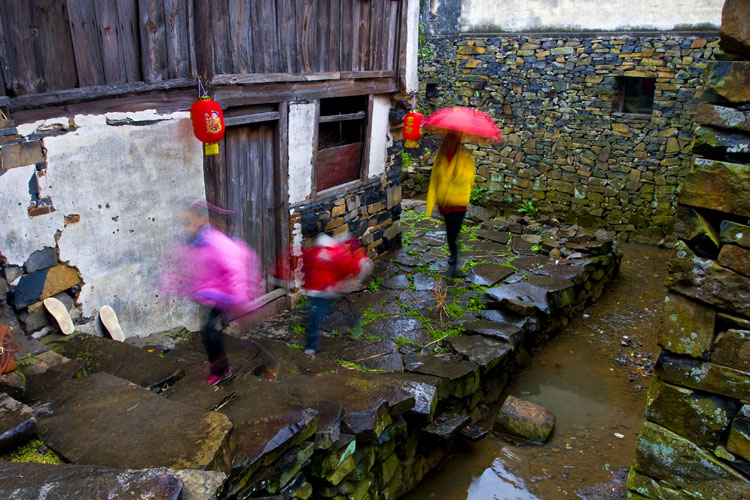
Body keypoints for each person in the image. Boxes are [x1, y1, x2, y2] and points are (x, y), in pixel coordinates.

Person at [160, 201, 262, 384]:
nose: (187, 227)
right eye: (184, 224)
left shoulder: (215, 242)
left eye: (190, 223)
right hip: (211, 293)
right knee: (210, 331)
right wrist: (168, 290)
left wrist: (239, 300)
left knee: (209, 331)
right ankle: (225, 362)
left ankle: (222, 369)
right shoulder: (192, 244)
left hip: (224, 294)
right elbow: (180, 268)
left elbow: (235, 270)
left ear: (201, 221)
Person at [300, 233, 372, 355]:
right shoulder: (323, 252)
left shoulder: (325, 252)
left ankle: (311, 346)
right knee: (321, 313)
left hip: (323, 292)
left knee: (317, 316)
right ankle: (351, 322)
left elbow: (346, 266)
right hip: (319, 291)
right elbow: (346, 266)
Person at [424, 132, 477, 277]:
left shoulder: (464, 156)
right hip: (444, 201)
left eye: (451, 141)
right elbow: (435, 178)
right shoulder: (440, 157)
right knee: (449, 231)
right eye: (446, 141)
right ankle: (453, 253)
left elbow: (470, 177)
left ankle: (454, 254)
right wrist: (432, 202)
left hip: (459, 201)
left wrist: (457, 175)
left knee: (454, 230)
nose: (447, 143)